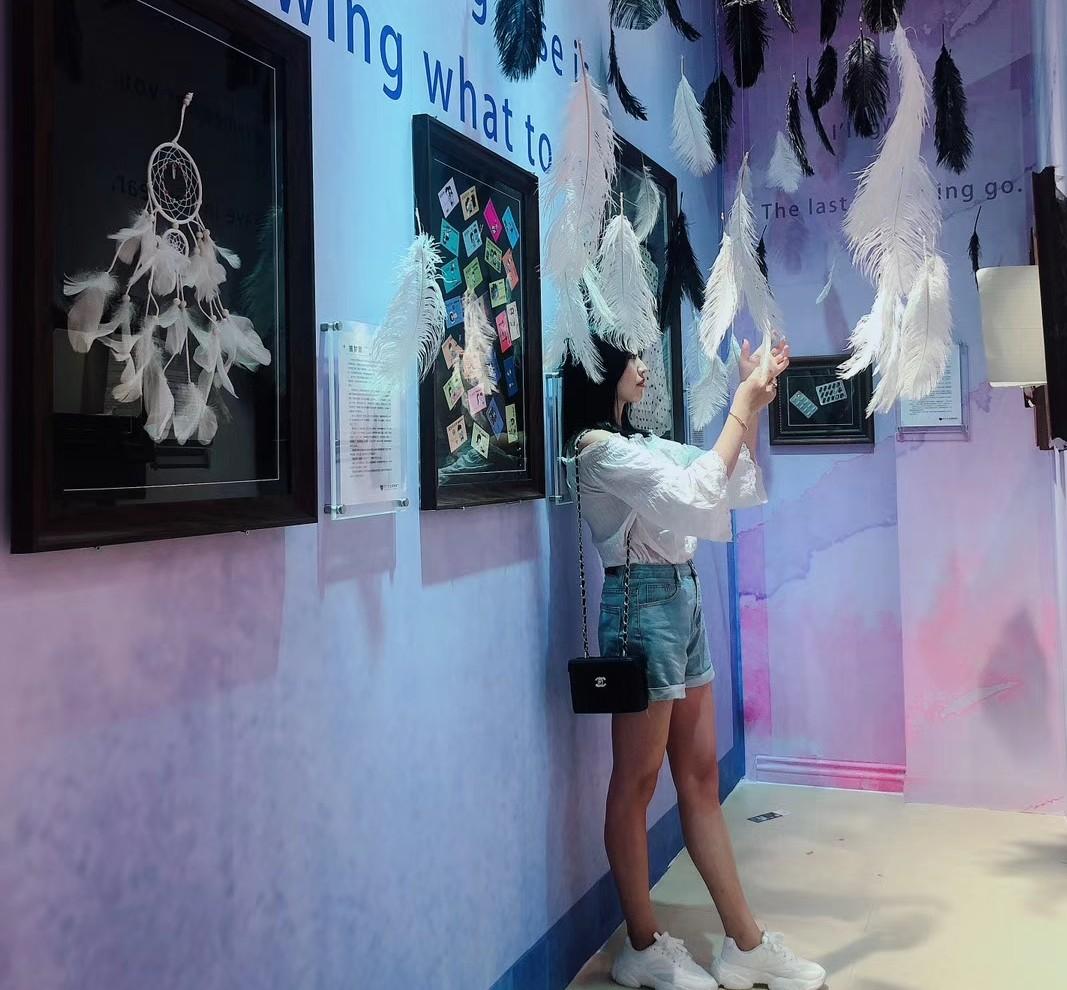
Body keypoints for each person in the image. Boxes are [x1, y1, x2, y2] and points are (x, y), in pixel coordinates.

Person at [561, 337, 826, 990]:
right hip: (641, 604)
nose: (642, 368)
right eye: (630, 359)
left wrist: (751, 401)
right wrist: (740, 402)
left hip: (681, 596)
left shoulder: (641, 444)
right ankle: (642, 945)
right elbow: (693, 490)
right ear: (600, 372)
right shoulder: (596, 451)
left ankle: (745, 943)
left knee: (700, 777)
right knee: (636, 783)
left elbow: (723, 482)